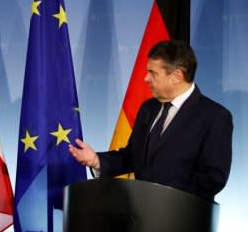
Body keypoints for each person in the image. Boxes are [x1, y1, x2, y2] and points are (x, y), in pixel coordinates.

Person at [69, 40, 233, 200]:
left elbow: (213, 177)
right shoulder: (148, 108)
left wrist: (163, 196)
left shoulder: (215, 117)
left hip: (183, 219)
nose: (146, 79)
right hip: (142, 216)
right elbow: (132, 156)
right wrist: (96, 160)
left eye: (152, 73)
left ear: (176, 76)